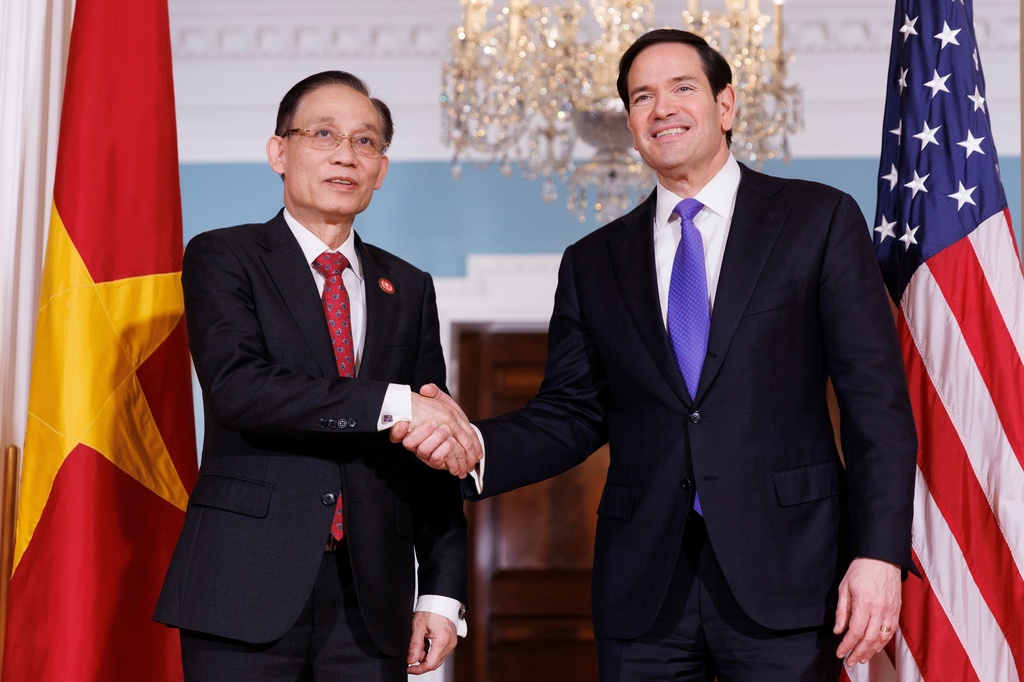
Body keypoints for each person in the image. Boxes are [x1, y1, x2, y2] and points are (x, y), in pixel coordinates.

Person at [397, 29, 918, 681]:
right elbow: (571, 413)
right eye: (642, 96)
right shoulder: (592, 263)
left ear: (725, 105)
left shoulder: (818, 220)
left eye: (681, 88)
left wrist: (878, 555)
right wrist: (475, 444)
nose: (661, 108)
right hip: (644, 595)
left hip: (791, 580)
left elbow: (877, 406)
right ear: (629, 124)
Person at [154, 70, 480, 681]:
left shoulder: (408, 287)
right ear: (279, 151)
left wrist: (440, 591)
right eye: (323, 133)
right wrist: (396, 403)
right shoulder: (224, 256)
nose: (344, 154)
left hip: (371, 601)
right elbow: (240, 388)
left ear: (381, 170)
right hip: (243, 587)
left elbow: (431, 446)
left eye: (365, 142)